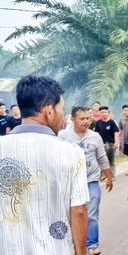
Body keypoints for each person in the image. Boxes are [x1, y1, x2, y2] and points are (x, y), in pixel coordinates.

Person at [0, 75, 89, 254]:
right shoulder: (71, 153)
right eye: (61, 109)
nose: (63, 116)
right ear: (48, 111)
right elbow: (78, 211)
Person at [59, 107, 114, 255]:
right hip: (70, 182)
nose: (85, 122)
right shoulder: (63, 136)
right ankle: (74, 243)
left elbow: (102, 157)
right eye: (81, 119)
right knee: (72, 214)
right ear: (73, 119)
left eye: (87, 119)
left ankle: (92, 244)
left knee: (92, 215)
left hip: (91, 181)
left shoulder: (95, 136)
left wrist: (109, 176)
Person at [95, 106, 119, 176]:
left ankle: (112, 175)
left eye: (105, 112)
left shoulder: (112, 122)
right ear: (100, 113)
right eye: (102, 112)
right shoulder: (98, 123)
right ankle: (103, 175)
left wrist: (116, 143)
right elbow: (96, 134)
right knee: (102, 161)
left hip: (111, 144)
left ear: (108, 113)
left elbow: (116, 133)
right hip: (101, 145)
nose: (103, 114)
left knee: (111, 161)